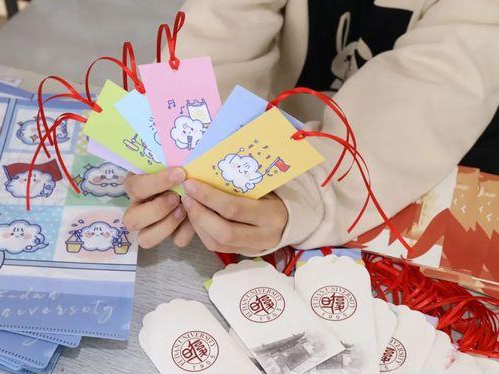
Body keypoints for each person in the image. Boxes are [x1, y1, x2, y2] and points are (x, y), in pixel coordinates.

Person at [122, 0, 499, 256]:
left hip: (439, 169)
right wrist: (186, 149)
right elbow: (220, 28)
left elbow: (433, 90)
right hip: (292, 160)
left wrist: (303, 194)